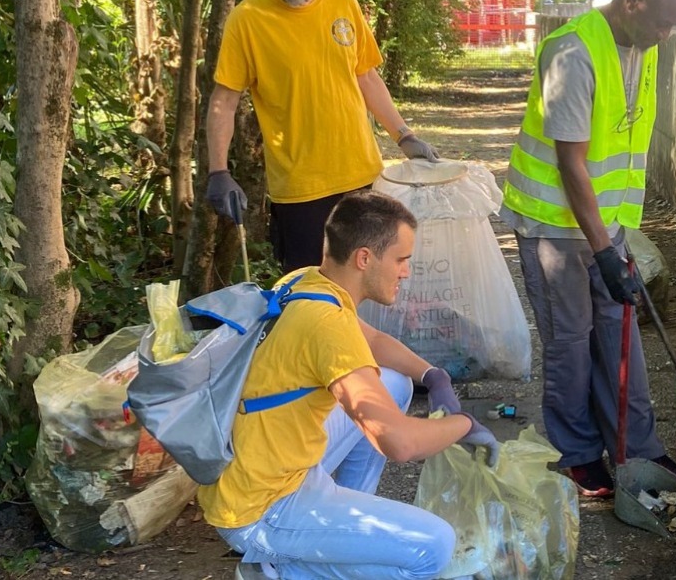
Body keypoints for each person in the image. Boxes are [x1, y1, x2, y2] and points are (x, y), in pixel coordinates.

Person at [199, 191, 498, 580]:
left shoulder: (304, 282)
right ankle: (280, 572)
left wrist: (432, 375)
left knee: (393, 384)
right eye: (401, 259)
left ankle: (342, 523)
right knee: (435, 547)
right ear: (364, 258)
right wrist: (465, 425)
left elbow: (372, 342)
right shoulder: (327, 325)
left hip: (262, 466)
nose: (406, 271)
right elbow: (398, 442)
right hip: (261, 507)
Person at [499, 0, 676, 497]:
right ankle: (578, 454)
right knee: (571, 340)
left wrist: (613, 242)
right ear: (632, 0)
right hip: (553, 227)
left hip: (606, 225)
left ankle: (638, 449)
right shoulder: (573, 52)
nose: (666, 35)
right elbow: (571, 163)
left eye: (674, 25)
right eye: (662, 22)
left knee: (620, 331)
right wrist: (603, 252)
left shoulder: (643, 45)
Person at [203, 0, 440, 273]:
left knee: (371, 282)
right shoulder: (247, 19)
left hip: (361, 177)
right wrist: (218, 171)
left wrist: (404, 135)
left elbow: (366, 76)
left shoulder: (341, 0)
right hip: (300, 190)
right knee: (311, 294)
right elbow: (224, 101)